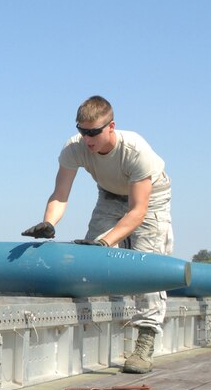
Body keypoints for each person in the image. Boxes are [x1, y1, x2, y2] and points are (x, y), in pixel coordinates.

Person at [22, 95, 173, 374]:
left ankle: (145, 342)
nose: (87, 139)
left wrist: (105, 242)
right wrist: (49, 223)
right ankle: (96, 326)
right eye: (82, 131)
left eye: (94, 132)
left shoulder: (136, 150)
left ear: (111, 126)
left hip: (150, 201)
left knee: (148, 266)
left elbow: (138, 212)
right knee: (91, 262)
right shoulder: (74, 148)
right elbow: (60, 194)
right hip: (109, 196)